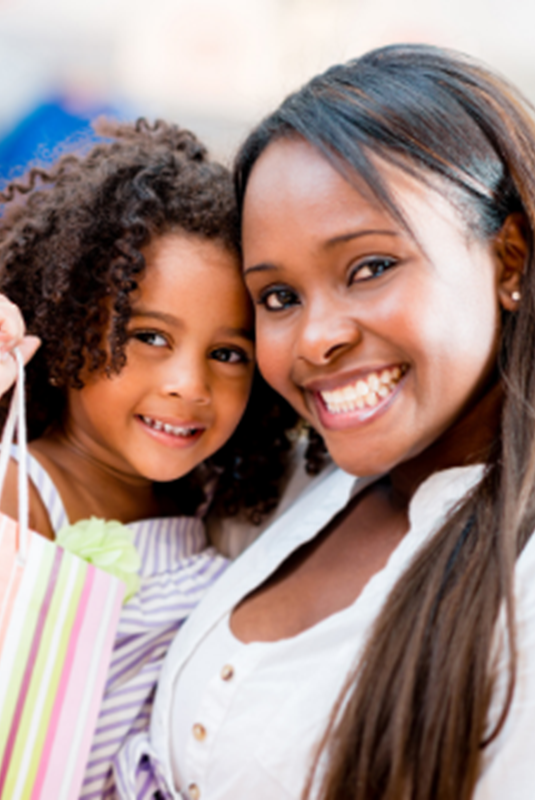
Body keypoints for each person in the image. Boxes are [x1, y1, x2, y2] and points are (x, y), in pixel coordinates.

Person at [116, 44, 535, 800]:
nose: (314, 339)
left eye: (370, 267)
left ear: (508, 260)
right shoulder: (301, 480)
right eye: (278, 297)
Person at [0, 118, 299, 799]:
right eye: (148, 335)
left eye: (227, 354)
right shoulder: (17, 490)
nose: (188, 385)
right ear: (67, 324)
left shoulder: (203, 498)